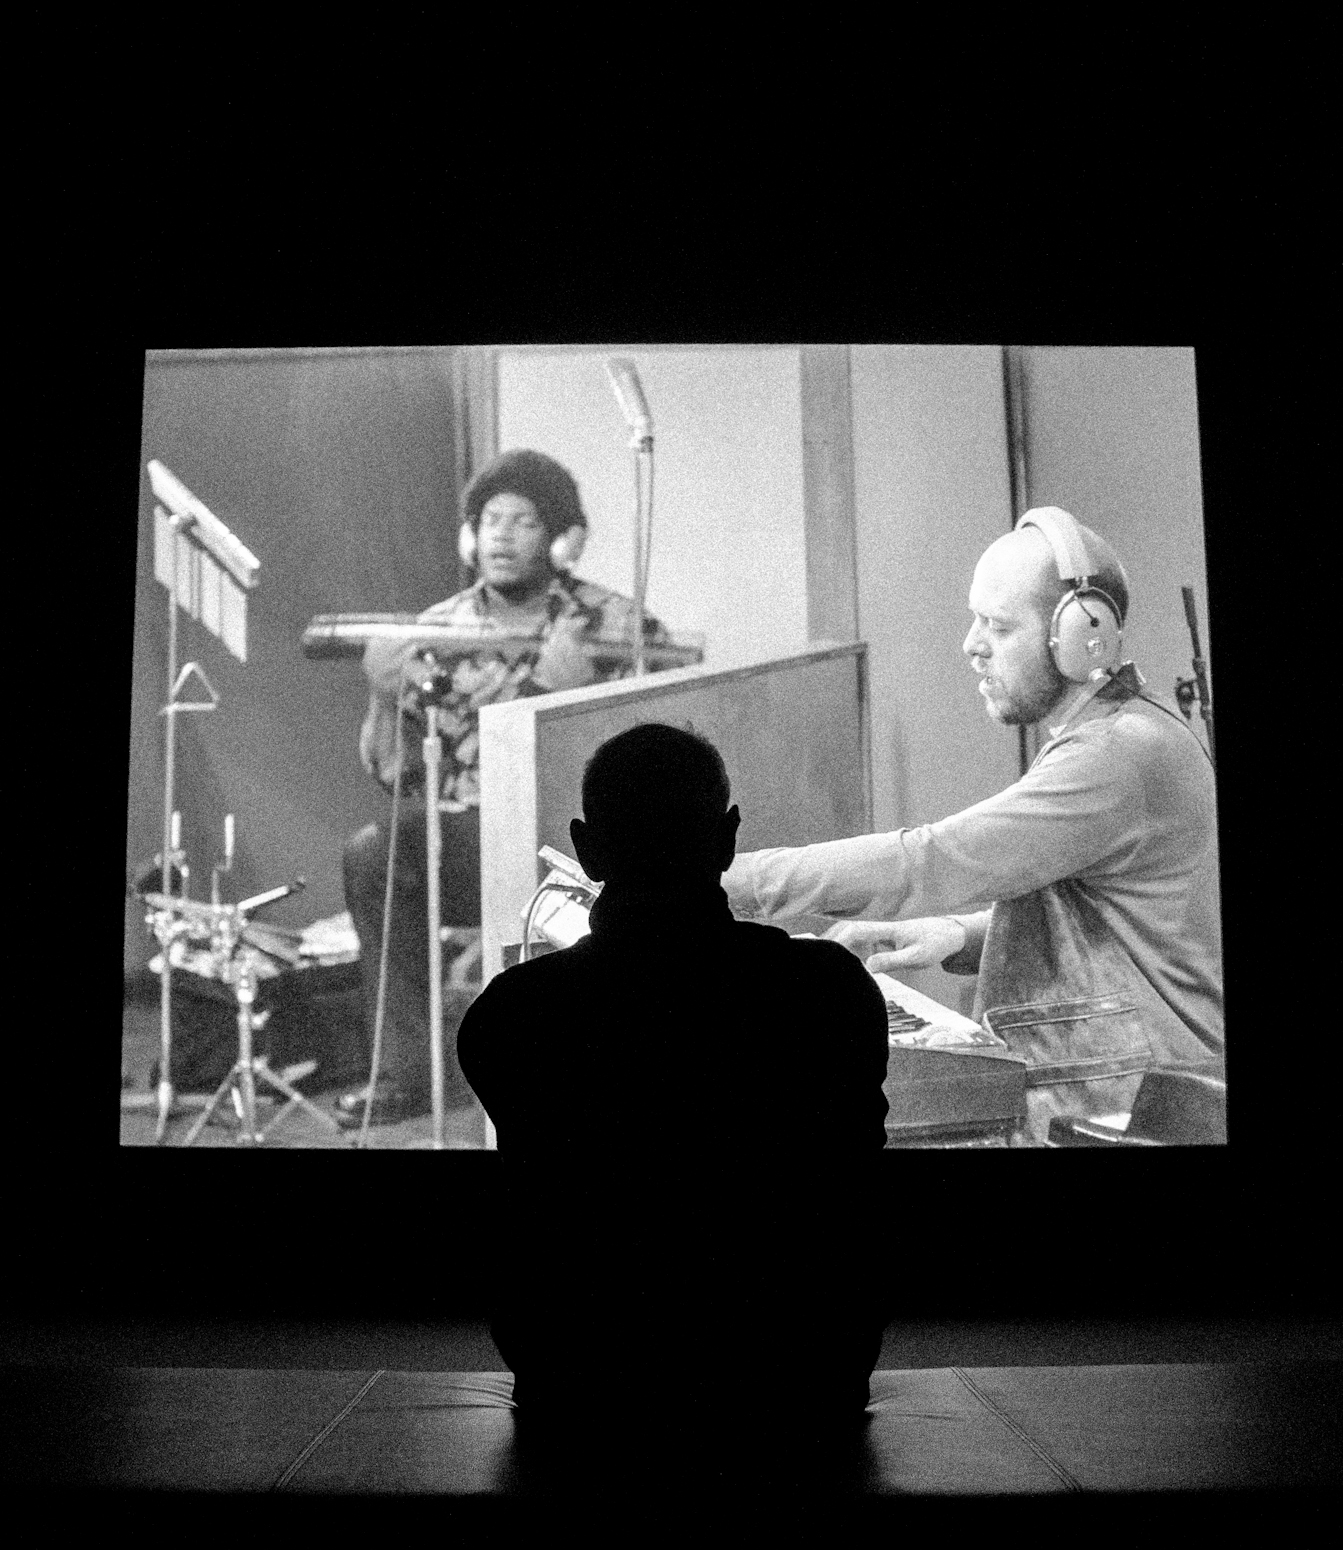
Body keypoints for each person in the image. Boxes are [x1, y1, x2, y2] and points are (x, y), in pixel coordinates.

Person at [723, 507, 1223, 1144]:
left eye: (999, 626)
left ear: (1081, 637)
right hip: (1112, 1093)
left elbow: (930, 859)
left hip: (1137, 1114)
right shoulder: (1114, 735)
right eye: (975, 619)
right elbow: (1119, 929)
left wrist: (721, 876)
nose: (972, 644)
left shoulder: (1118, 755)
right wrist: (959, 934)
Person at [455, 723, 894, 1426]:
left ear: (586, 849)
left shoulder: (511, 1013)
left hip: (582, 1379)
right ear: (727, 839)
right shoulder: (829, 988)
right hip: (802, 1373)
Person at [337, 450, 675, 1128]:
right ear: (472, 535)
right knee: (373, 852)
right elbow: (397, 775)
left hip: (573, 838)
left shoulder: (615, 624)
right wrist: (383, 693)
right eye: (491, 520)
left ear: (560, 540)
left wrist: (562, 694)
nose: (502, 536)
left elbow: (650, 757)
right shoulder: (437, 628)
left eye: (523, 522)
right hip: (463, 842)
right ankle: (409, 1072)